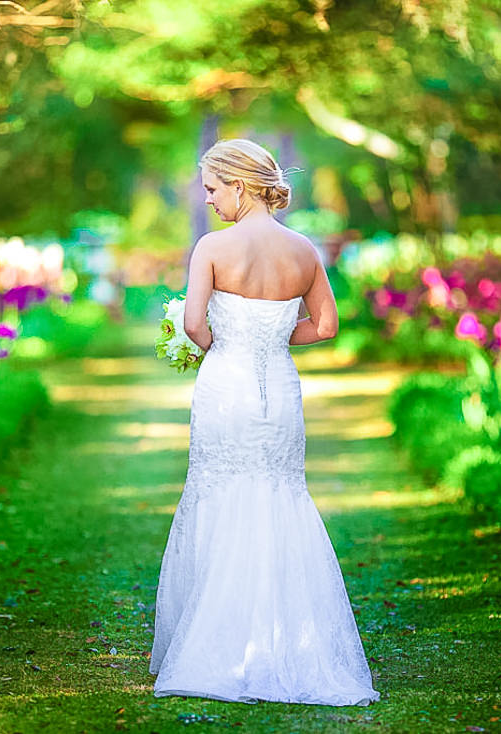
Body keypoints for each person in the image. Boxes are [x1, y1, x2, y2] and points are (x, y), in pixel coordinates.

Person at [148, 138, 380, 706]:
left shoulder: (212, 248)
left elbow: (196, 326)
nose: (209, 200)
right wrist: (271, 335)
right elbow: (326, 326)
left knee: (219, 493)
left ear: (240, 185)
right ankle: (289, 645)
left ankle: (220, 645)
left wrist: (224, 340)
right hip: (279, 387)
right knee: (281, 495)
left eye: (212, 188)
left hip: (226, 387)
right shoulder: (303, 250)